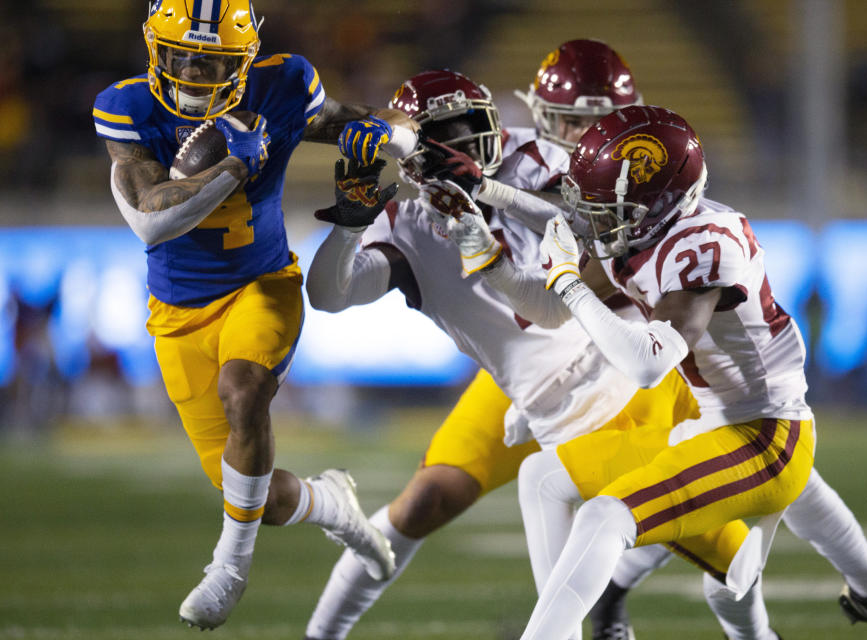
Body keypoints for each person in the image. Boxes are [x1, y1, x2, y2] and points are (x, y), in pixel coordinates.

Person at [440, 103, 867, 640]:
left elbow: (646, 363)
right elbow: (556, 273)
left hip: (762, 434)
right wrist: (488, 209)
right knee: (543, 477)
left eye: (606, 208)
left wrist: (567, 278)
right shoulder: (645, 227)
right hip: (705, 418)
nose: (592, 220)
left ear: (658, 204)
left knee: (607, 518)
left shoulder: (700, 248)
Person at [303, 69, 776, 640]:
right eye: (439, 133)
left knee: (716, 544)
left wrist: (485, 187)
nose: (456, 142)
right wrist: (351, 227)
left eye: (464, 126)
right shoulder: (404, 223)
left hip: (618, 370)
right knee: (427, 499)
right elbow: (329, 296)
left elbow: (589, 219)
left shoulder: (542, 156)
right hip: (525, 389)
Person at [91, 0, 420, 629]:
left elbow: (340, 120)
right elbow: (153, 219)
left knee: (245, 394)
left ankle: (229, 567)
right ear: (154, 50)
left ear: (244, 59)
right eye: (183, 55)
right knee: (258, 497)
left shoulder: (283, 82)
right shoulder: (126, 108)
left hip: (261, 283)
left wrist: (391, 137)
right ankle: (333, 503)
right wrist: (234, 164)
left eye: (213, 60)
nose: (194, 72)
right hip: (178, 310)